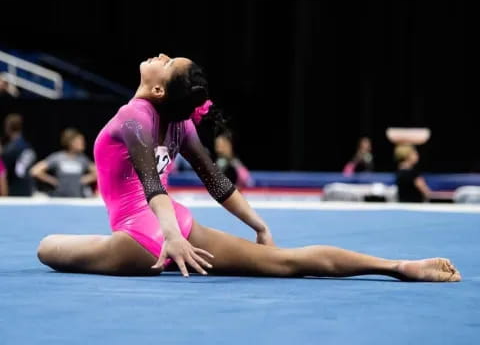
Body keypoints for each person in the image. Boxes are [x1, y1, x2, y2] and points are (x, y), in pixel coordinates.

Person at [37, 54, 460, 282]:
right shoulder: (180, 122)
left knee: (46, 247)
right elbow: (217, 182)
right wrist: (257, 225)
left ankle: (396, 267)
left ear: (159, 87)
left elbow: (152, 183)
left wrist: (167, 237)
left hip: (143, 236)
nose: (160, 55)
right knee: (287, 263)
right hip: (179, 228)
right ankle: (395, 266)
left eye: (167, 62)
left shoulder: (133, 114)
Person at [30, 128, 97, 198]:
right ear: (71, 142)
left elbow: (98, 173)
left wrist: (83, 180)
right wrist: (53, 181)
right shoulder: (58, 157)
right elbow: (35, 171)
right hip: (59, 199)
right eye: (80, 141)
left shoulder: (83, 159)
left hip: (76, 198)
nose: (83, 143)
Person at [1, 113, 36, 196]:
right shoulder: (27, 146)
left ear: (8, 127)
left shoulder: (9, 150)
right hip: (28, 189)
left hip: (14, 191)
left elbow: (2, 174)